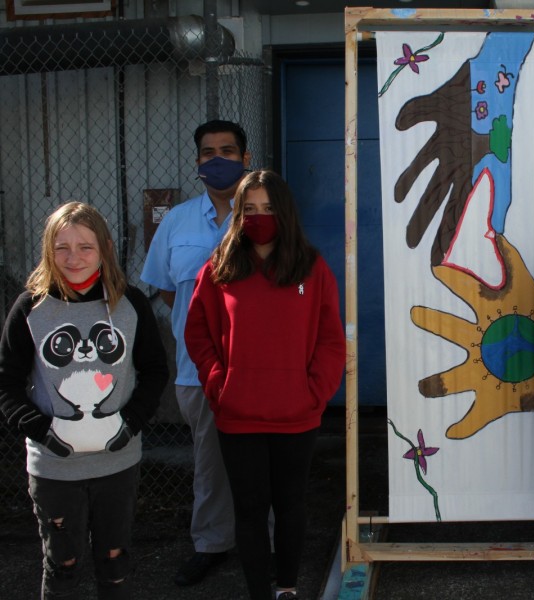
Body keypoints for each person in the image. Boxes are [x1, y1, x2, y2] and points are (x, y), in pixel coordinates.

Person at [185, 170, 345, 600]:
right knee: (250, 511)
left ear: (285, 212)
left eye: (268, 208)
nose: (259, 217)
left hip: (297, 416)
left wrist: (314, 391)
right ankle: (259, 592)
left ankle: (287, 588)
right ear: (238, 215)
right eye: (249, 209)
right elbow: (197, 333)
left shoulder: (311, 268)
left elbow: (332, 339)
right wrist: (219, 384)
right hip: (238, 416)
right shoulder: (219, 269)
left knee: (291, 506)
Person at [0, 202, 169, 599]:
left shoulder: (131, 304)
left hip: (117, 465)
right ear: (47, 249)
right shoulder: (30, 308)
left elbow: (155, 372)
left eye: (85, 247)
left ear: (106, 248)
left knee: (114, 562)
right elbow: (6, 384)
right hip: (55, 469)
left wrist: (128, 426)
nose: (73, 258)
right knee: (63, 567)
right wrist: (44, 432)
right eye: (62, 247)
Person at [140, 119, 251, 586]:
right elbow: (168, 293)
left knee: (259, 462)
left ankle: (261, 544)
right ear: (198, 162)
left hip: (257, 369)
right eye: (209, 152)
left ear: (246, 159)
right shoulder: (177, 222)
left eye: (228, 150)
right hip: (198, 371)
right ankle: (211, 543)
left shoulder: (267, 216)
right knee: (209, 463)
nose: (218, 158)